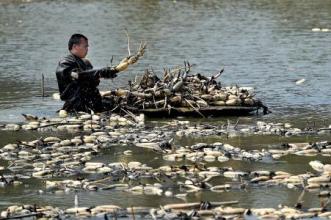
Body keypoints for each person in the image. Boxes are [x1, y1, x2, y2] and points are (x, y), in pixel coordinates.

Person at [56, 34, 128, 113]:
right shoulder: (65, 63)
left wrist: (114, 69)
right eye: (85, 46)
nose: (87, 49)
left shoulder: (86, 63)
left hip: (93, 101)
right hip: (76, 105)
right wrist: (110, 70)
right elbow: (79, 75)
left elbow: (93, 80)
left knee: (120, 105)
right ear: (75, 46)